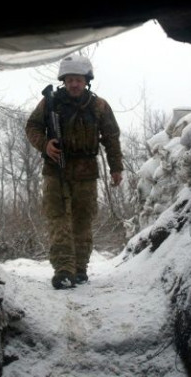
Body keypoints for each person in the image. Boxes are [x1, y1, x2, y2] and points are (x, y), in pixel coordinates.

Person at [25, 55, 124, 289]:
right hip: (55, 169)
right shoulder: (50, 103)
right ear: (64, 81)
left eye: (78, 80)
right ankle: (63, 270)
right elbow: (32, 126)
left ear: (86, 80)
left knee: (82, 221)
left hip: (86, 171)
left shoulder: (99, 105)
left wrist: (116, 167)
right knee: (58, 220)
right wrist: (45, 144)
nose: (74, 84)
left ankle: (80, 269)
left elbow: (111, 137)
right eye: (69, 80)